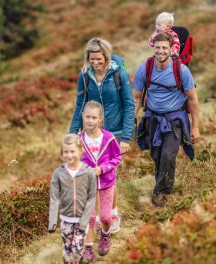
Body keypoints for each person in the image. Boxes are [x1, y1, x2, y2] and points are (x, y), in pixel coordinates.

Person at [69, 37, 135, 233]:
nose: (96, 63)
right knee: (93, 176)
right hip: (92, 132)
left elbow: (129, 105)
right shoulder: (85, 75)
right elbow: (80, 105)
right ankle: (99, 216)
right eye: (92, 60)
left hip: (114, 132)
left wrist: (125, 138)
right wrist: (73, 132)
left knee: (109, 175)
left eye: (99, 59)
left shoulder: (119, 74)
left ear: (106, 56)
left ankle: (112, 215)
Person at [133, 32, 200, 207]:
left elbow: (193, 99)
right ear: (153, 48)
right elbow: (136, 98)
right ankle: (162, 183)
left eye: (164, 48)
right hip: (153, 119)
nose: (161, 51)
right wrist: (130, 121)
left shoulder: (182, 71)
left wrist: (195, 127)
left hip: (175, 120)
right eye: (158, 47)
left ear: (171, 49)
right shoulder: (144, 69)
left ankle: (161, 192)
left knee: (168, 155)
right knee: (156, 155)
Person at [79, 100, 122, 262]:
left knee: (105, 217)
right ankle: (88, 248)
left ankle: (105, 235)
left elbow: (117, 158)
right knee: (90, 218)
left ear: (100, 119)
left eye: (94, 117)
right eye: (87, 117)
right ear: (83, 116)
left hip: (107, 183)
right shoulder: (79, 140)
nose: (90, 120)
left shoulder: (109, 138)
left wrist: (103, 168)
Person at [48, 134, 97, 264]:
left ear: (81, 151)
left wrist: (84, 221)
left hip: (82, 219)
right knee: (67, 249)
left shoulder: (88, 172)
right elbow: (54, 198)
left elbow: (92, 198)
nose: (69, 155)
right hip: (65, 219)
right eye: (66, 152)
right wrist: (52, 221)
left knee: (77, 250)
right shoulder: (58, 173)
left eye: (72, 151)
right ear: (62, 153)